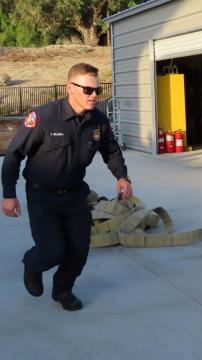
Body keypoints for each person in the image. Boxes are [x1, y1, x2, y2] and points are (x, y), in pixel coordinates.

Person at [1, 63, 132, 311]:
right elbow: (13, 155)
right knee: (52, 252)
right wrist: (9, 194)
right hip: (42, 197)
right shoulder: (44, 117)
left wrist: (122, 177)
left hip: (75, 196)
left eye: (98, 90)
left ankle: (62, 290)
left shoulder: (99, 122)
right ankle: (32, 263)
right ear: (70, 88)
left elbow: (112, 152)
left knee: (79, 251)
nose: (94, 95)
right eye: (87, 90)